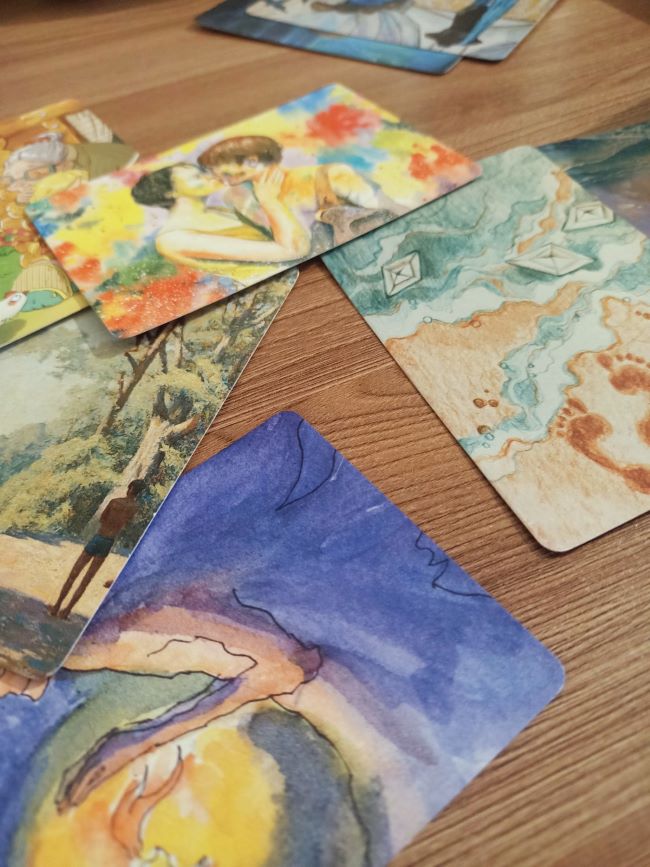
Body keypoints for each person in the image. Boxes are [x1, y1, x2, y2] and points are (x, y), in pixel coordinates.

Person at [197, 135, 402, 246]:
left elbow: (385, 209)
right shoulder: (244, 200)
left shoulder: (327, 175)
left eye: (221, 168)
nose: (216, 175)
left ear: (252, 160)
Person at [132, 161, 311, 272]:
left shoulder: (218, 211)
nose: (210, 176)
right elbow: (294, 250)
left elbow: (297, 238)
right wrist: (269, 200)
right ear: (171, 193)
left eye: (203, 172)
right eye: (197, 177)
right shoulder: (173, 238)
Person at [49, 479, 146, 620]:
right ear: (139, 492)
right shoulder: (135, 509)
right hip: (108, 543)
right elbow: (128, 525)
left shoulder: (114, 502)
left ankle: (56, 606)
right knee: (86, 581)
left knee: (73, 575)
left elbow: (102, 518)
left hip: (98, 537)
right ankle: (66, 611)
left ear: (130, 488)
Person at [1, 131, 136, 204]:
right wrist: (22, 200)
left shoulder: (93, 171)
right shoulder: (61, 171)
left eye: (34, 174)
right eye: (10, 179)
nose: (19, 186)